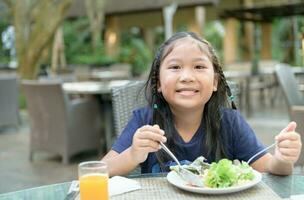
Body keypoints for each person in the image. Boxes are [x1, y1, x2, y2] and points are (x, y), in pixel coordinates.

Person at [102, 31, 302, 176]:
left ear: (215, 82)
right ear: (158, 83)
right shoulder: (144, 121)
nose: (187, 76)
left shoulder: (229, 122)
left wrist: (283, 159)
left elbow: (270, 167)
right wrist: (133, 154)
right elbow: (100, 171)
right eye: (175, 67)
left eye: (199, 66)